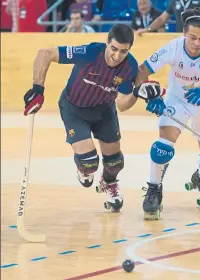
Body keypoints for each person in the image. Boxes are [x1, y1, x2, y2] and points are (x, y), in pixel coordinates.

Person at [23, 24, 164, 212]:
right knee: (89, 162)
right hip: (74, 108)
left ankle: (109, 183)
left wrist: (137, 92)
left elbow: (122, 105)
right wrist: (38, 89)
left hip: (104, 111)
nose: (116, 56)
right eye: (113, 49)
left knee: (115, 163)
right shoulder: (90, 52)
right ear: (107, 43)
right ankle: (84, 170)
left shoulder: (129, 67)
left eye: (123, 51)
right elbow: (44, 53)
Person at [137, 7, 200, 220]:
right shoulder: (173, 47)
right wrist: (148, 93)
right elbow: (141, 70)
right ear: (184, 34)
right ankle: (154, 188)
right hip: (178, 99)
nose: (196, 43)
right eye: (192, 37)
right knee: (162, 146)